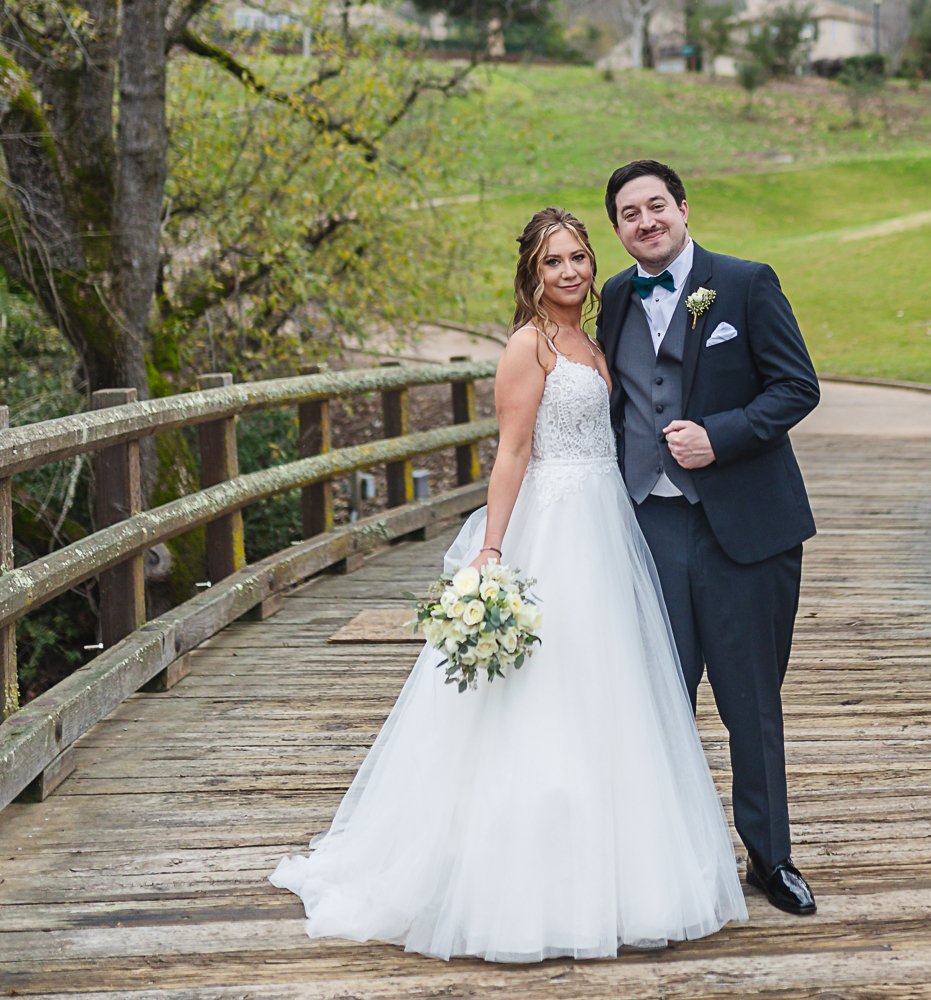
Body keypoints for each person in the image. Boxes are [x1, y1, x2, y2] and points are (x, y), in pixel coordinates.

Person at [269, 207, 747, 962]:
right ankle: (527, 879)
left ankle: (620, 866)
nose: (570, 272)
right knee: (542, 691)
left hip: (607, 520)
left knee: (610, 687)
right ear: (532, 273)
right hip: (553, 525)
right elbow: (511, 452)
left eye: (580, 258)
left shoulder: (592, 339)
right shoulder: (528, 346)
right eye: (554, 262)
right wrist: (491, 548)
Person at [597, 160, 821, 916]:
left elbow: (797, 387)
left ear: (683, 209)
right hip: (649, 526)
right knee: (659, 698)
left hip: (745, 530)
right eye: (629, 214)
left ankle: (770, 858)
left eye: (656, 205)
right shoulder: (615, 297)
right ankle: (673, 857)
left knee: (750, 700)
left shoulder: (747, 283)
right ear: (618, 230)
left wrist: (718, 439)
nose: (646, 221)